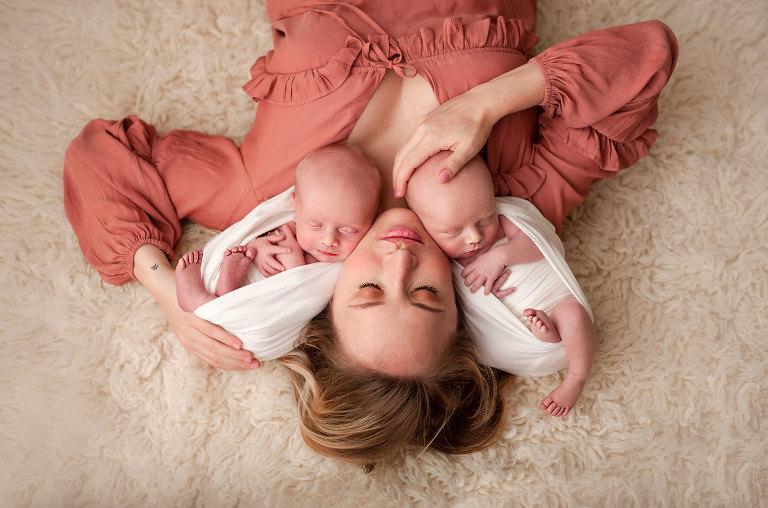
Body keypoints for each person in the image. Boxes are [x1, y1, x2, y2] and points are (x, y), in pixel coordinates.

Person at [63, 0, 678, 464]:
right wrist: (486, 105)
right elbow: (646, 56)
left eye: (369, 292)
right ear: (461, 306)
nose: (399, 263)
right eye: (426, 295)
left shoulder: (270, 198)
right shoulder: (505, 205)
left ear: (327, 300)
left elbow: (101, 160)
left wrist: (170, 295)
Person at [406, 151, 596, 417]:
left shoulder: (504, 222)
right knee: (546, 322)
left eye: (484, 219)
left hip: (555, 304)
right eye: (453, 232)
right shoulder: (442, 263)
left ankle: (576, 376)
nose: (474, 237)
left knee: (573, 314)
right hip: (515, 334)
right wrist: (483, 298)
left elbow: (539, 244)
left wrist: (500, 255)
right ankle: (542, 333)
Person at [174, 144, 381, 312]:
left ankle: (215, 300)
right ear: (296, 207)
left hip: (277, 307)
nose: (329, 240)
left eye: (348, 230)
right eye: (315, 225)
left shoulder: (355, 262)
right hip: (256, 283)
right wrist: (257, 249)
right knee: (279, 251)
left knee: (247, 320)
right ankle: (209, 296)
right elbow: (264, 235)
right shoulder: (289, 226)